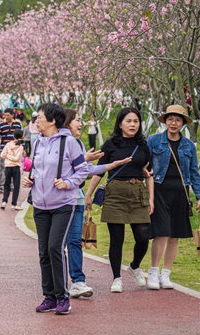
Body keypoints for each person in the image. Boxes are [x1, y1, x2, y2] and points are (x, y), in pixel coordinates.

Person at [21, 103, 93, 316]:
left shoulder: (69, 142)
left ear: (52, 121)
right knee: (43, 251)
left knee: (55, 247)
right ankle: (49, 296)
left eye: (40, 117)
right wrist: (30, 179)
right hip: (40, 204)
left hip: (63, 204)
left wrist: (68, 182)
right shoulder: (38, 143)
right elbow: (37, 169)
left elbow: (83, 171)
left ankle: (63, 297)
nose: (36, 121)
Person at [62, 108, 132, 299]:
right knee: (57, 245)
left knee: (75, 241)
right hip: (60, 201)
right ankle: (58, 283)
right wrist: (84, 160)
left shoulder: (78, 143)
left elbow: (86, 170)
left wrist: (112, 165)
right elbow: (62, 168)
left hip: (76, 199)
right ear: (66, 123)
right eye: (78, 120)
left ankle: (77, 281)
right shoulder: (58, 143)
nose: (81, 123)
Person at [84, 107, 153, 293]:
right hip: (115, 193)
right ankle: (116, 278)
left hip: (138, 192)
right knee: (117, 239)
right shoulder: (110, 144)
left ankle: (135, 265)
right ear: (120, 123)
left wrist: (151, 199)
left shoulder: (144, 145)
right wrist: (88, 194)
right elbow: (100, 171)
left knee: (143, 236)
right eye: (129, 121)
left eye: (136, 121)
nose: (132, 124)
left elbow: (149, 174)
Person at [146, 105, 200, 290]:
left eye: (178, 120)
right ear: (165, 121)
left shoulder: (188, 145)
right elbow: (145, 166)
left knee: (175, 235)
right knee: (161, 232)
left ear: (183, 123)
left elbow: (194, 172)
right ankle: (153, 272)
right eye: (170, 119)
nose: (173, 123)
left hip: (181, 192)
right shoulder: (154, 141)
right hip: (159, 191)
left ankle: (166, 274)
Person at [0, 108, 22, 193]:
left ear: (12, 115)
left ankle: (11, 185)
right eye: (5, 115)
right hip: (4, 150)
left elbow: (20, 137)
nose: (6, 117)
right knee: (3, 168)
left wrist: (23, 148)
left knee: (13, 168)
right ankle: (2, 185)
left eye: (8, 115)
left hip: (15, 150)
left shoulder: (17, 125)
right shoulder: (1, 125)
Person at [0, 129, 26, 210]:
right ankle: (14, 203)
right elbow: (16, 158)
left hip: (8, 167)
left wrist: (7, 156)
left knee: (6, 184)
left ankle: (4, 201)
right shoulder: (21, 147)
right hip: (16, 167)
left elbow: (2, 155)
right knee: (16, 185)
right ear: (21, 137)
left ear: (13, 136)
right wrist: (12, 158)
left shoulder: (8, 144)